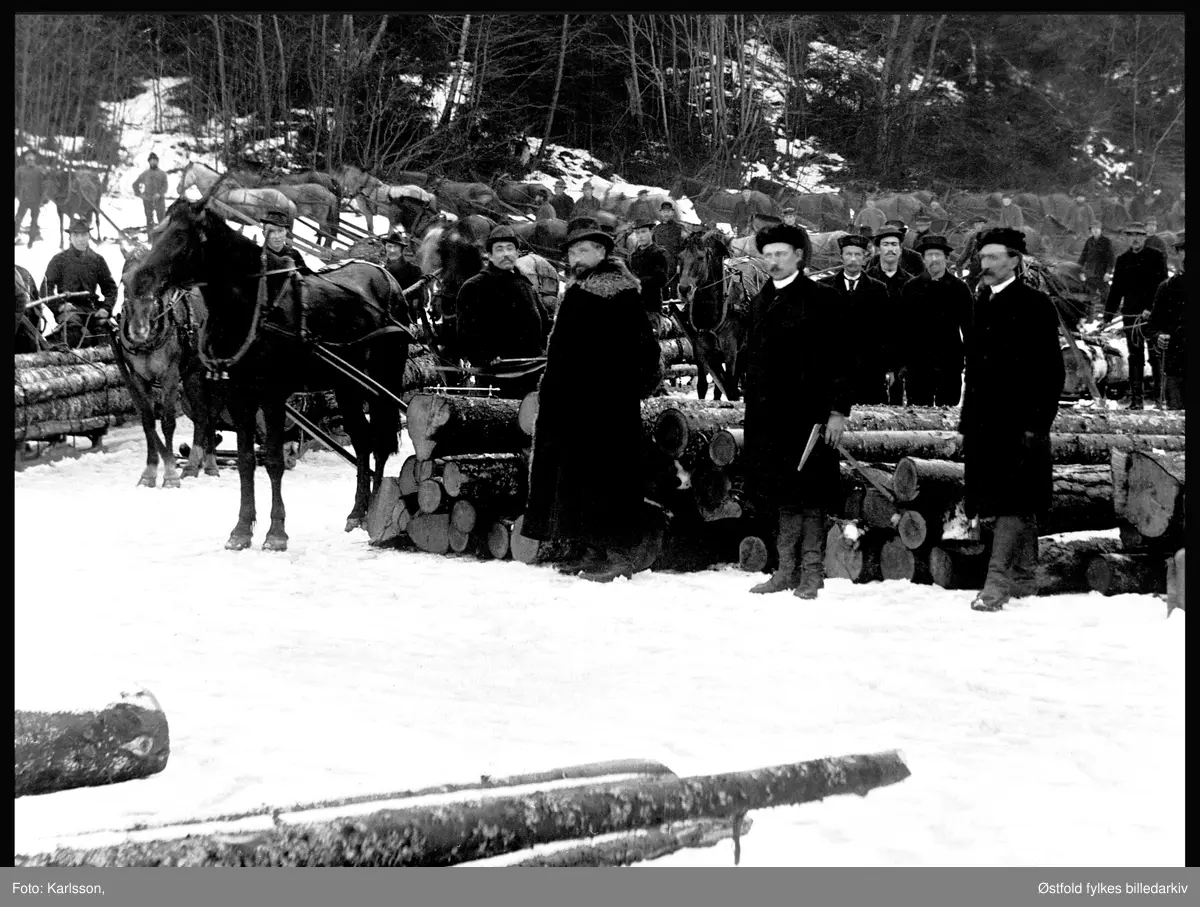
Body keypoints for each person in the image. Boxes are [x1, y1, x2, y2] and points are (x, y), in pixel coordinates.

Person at [522, 216, 662, 583]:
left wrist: (618, 392)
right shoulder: (579, 289)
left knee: (611, 476)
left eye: (584, 250)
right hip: (573, 403)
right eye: (572, 251)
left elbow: (645, 354)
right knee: (579, 475)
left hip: (608, 405)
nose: (576, 257)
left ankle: (619, 553)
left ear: (602, 252)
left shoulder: (620, 293)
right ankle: (590, 547)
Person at [741, 222, 852, 600]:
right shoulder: (759, 301)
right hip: (769, 418)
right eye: (767, 255)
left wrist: (838, 412)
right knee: (782, 493)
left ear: (799, 256)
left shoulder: (823, 298)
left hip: (810, 417)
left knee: (810, 494)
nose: (772, 262)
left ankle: (811, 572)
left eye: (780, 255)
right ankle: (785, 570)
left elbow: (843, 358)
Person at [959, 227, 1065, 612]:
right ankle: (1024, 575)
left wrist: (1037, 424)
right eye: (982, 258)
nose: (984, 265)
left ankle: (997, 582)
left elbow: (1052, 372)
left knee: (1014, 499)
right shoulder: (981, 302)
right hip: (985, 422)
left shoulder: (1036, 305)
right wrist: (966, 422)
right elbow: (975, 370)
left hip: (1021, 423)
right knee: (1009, 498)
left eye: (992, 258)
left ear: (1014, 261)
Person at [456, 225, 551, 397]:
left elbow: (544, 323)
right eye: (499, 249)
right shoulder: (475, 286)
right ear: (490, 256)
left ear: (517, 253)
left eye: (510, 248)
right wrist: (486, 357)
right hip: (498, 377)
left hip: (532, 374)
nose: (506, 254)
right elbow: (466, 334)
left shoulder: (526, 285)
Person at [897, 234, 973, 406]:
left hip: (949, 364)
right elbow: (903, 328)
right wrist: (902, 363)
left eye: (938, 255)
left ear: (946, 258)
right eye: (929, 255)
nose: (934, 259)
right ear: (923, 259)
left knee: (947, 415)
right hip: (918, 365)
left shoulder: (960, 289)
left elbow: (969, 328)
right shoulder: (911, 288)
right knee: (917, 415)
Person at [817, 234, 890, 404]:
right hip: (833, 369)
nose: (853, 259)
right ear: (841, 257)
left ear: (865, 259)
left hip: (868, 369)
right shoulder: (823, 287)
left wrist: (886, 367)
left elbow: (884, 329)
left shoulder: (878, 289)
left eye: (858, 255)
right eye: (848, 254)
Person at [1105, 222, 1169, 409]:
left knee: (1155, 355)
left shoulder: (1156, 257)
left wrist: (1152, 309)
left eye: (1138, 235)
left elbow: (1163, 287)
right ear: (1127, 237)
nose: (1134, 239)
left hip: (1152, 317)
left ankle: (1160, 400)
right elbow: (1116, 290)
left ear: (1144, 237)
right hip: (1131, 317)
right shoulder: (1122, 260)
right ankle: (1136, 400)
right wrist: (1107, 318)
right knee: (1135, 357)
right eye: (1131, 235)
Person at [41, 218, 118, 342]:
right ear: (70, 237)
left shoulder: (97, 260)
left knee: (107, 332)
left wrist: (106, 308)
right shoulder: (59, 260)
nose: (81, 239)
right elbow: (45, 288)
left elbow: (110, 288)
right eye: (76, 235)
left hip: (92, 309)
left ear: (89, 236)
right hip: (69, 310)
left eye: (84, 235)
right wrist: (60, 306)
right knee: (73, 332)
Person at [1145, 233, 1185, 410]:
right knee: (1176, 422)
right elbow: (1152, 326)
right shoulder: (1167, 287)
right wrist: (1159, 337)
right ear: (1177, 254)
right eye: (1183, 250)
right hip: (1176, 366)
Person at [629, 219, 670, 322]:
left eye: (643, 232)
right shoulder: (634, 255)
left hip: (652, 305)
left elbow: (662, 280)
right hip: (634, 304)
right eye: (637, 233)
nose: (640, 236)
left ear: (651, 232)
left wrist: (637, 281)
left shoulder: (659, 253)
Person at [382, 229, 424, 315]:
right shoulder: (381, 272)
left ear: (401, 249)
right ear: (385, 248)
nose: (392, 250)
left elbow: (418, 301)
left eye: (395, 247)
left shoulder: (414, 271)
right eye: (389, 246)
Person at [652, 201, 685, 296]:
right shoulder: (656, 230)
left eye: (668, 211)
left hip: (675, 267)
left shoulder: (679, 228)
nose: (666, 213)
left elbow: (683, 249)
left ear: (672, 213)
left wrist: (679, 264)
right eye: (664, 211)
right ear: (661, 213)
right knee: (661, 294)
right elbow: (653, 247)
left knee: (675, 295)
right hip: (660, 267)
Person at [1077, 222, 1115, 302]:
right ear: (1091, 230)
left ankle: (1108, 313)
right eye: (1093, 228)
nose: (1095, 230)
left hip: (1102, 275)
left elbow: (1111, 259)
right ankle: (1089, 313)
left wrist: (1108, 272)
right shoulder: (1089, 241)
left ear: (1101, 230)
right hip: (1090, 275)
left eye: (1097, 228)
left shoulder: (1106, 242)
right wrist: (1080, 270)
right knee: (1088, 298)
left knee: (1106, 298)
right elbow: (1083, 257)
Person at [14, 149, 45, 247]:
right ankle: (15, 236)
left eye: (31, 157)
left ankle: (32, 239)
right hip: (23, 200)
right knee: (18, 218)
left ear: (35, 158)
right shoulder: (20, 170)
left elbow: (43, 185)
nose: (30, 159)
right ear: (25, 159)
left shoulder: (39, 170)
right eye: (28, 157)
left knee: (34, 220)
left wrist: (43, 199)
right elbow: (16, 184)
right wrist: (18, 195)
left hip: (36, 200)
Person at [132, 152, 169, 233]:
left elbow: (165, 186)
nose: (153, 162)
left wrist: (159, 193)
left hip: (159, 200)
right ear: (149, 162)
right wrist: (139, 194)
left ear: (157, 162)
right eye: (151, 160)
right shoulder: (145, 174)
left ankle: (161, 238)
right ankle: (150, 238)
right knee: (149, 220)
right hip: (148, 200)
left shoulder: (162, 174)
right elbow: (135, 184)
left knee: (162, 220)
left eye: (154, 160)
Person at [954, 215, 990, 284]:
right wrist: (959, 263)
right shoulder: (973, 236)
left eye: (978, 224)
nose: (976, 226)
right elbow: (966, 252)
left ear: (984, 224)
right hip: (977, 266)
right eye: (975, 224)